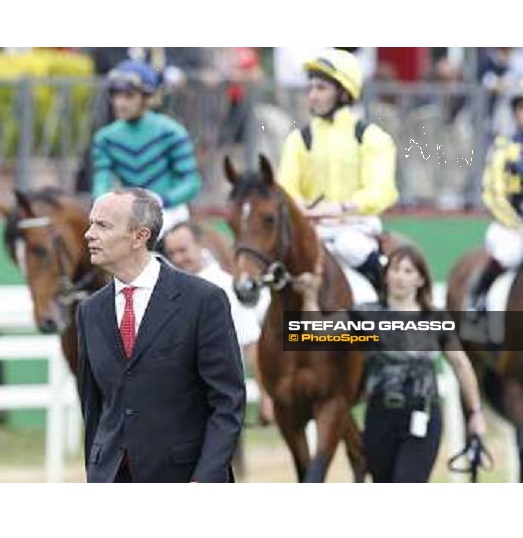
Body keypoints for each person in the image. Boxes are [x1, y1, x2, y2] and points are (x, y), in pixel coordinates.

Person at [77, 189, 245, 482]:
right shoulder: (89, 311)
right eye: (91, 223)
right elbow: (93, 409)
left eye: (102, 225)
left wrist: (206, 478)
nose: (89, 234)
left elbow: (227, 401)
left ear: (139, 236)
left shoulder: (204, 300)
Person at [295, 245, 486, 483]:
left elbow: (461, 365)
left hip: (422, 415)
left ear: (420, 279)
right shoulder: (367, 315)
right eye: (395, 269)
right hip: (379, 417)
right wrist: (310, 296)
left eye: (408, 271)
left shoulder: (435, 319)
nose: (400, 277)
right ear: (386, 276)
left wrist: (475, 414)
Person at [277, 49, 398, 292]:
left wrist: (341, 207)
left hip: (355, 227)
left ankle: (386, 299)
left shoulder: (372, 137)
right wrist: (298, 205)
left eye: (321, 88)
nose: (312, 96)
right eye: (310, 88)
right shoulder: (298, 139)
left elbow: (382, 190)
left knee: (350, 245)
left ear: (343, 93)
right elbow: (285, 185)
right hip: (310, 229)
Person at [163, 221, 274, 423]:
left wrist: (266, 397)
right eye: (172, 253)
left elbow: (250, 345)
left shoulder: (225, 288)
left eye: (183, 250)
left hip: (219, 399)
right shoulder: (163, 289)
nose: (178, 258)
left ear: (200, 245)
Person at [90, 60, 201, 240]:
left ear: (147, 97)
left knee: (177, 250)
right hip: (128, 214)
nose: (120, 102)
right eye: (116, 94)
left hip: (169, 213)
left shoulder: (172, 132)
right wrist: (104, 201)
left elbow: (191, 182)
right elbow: (101, 181)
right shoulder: (105, 138)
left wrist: (162, 200)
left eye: (128, 95)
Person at [470, 82, 523, 313]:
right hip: (510, 227)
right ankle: (478, 301)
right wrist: (518, 224)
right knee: (508, 254)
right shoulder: (503, 147)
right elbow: (493, 193)